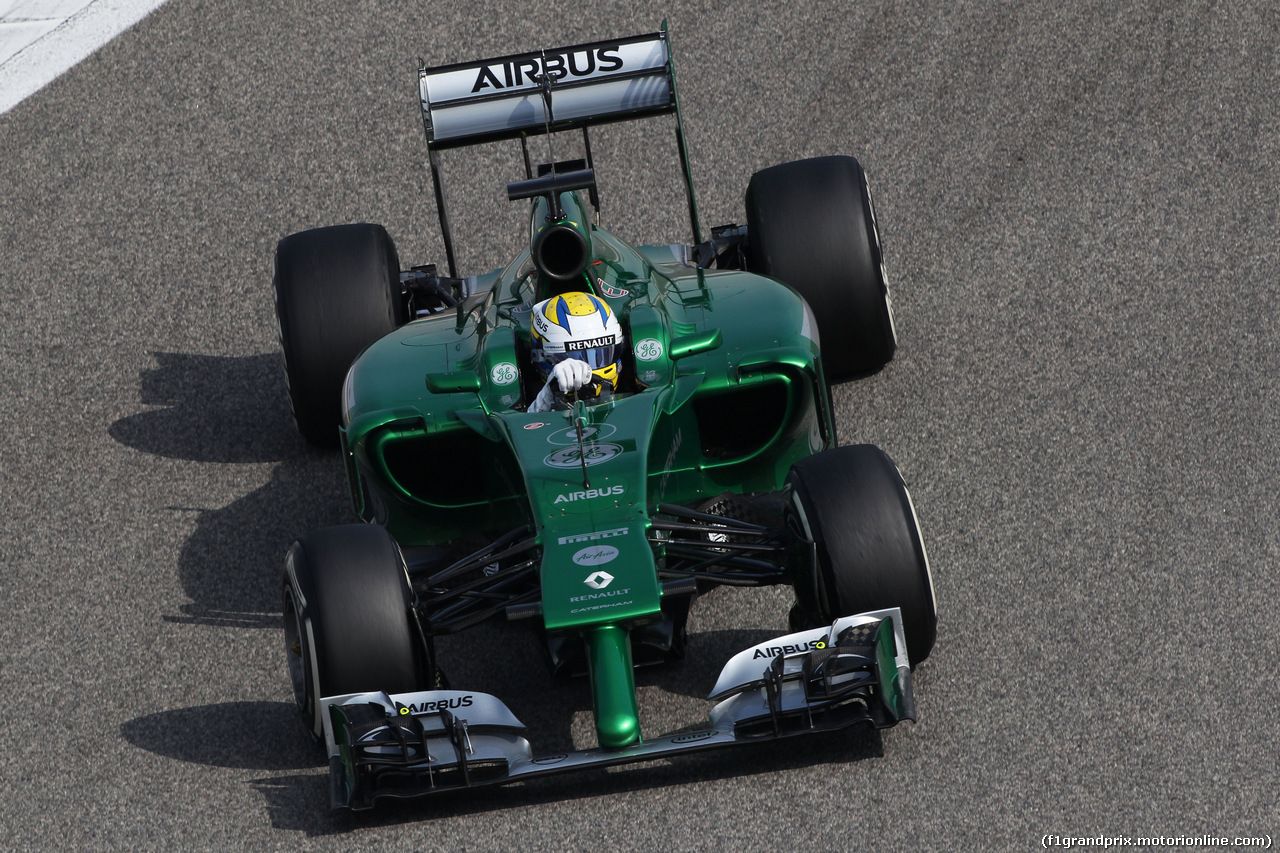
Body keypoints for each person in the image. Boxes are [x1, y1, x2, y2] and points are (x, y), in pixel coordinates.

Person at [527, 292, 623, 413]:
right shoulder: (533, 394)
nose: (585, 369)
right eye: (572, 356)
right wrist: (548, 396)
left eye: (599, 355)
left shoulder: (631, 384)